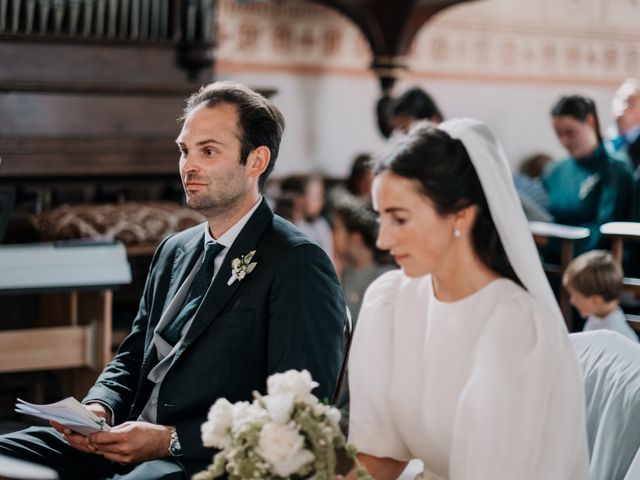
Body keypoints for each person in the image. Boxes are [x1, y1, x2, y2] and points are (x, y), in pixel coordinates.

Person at [0, 81, 346, 479]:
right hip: (121, 438)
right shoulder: (173, 249)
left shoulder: (298, 261)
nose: (188, 166)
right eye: (184, 150)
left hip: (203, 460)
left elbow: (303, 411)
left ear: (256, 161)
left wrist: (169, 439)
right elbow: (132, 356)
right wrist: (99, 409)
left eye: (208, 151)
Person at [345, 119, 590, 479]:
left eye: (399, 219)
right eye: (380, 218)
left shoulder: (516, 328)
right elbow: (380, 454)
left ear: (461, 213)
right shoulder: (391, 300)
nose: (382, 240)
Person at [543, 95, 635, 256]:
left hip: (593, 266)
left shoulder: (615, 171)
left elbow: (604, 230)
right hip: (550, 261)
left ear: (590, 121)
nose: (564, 141)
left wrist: (551, 242)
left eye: (570, 133)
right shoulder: (554, 172)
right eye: (558, 134)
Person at [330, 192, 395, 323]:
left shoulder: (385, 275)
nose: (332, 236)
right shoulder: (343, 271)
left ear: (355, 237)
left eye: (337, 230)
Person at [563, 250, 637, 341]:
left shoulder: (616, 336)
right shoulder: (596, 316)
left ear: (595, 300)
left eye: (576, 296)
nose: (572, 301)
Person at [279, 173, 333, 257]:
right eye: (316, 195)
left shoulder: (321, 225)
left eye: (322, 195)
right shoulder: (285, 225)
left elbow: (329, 260)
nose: (321, 201)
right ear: (300, 198)